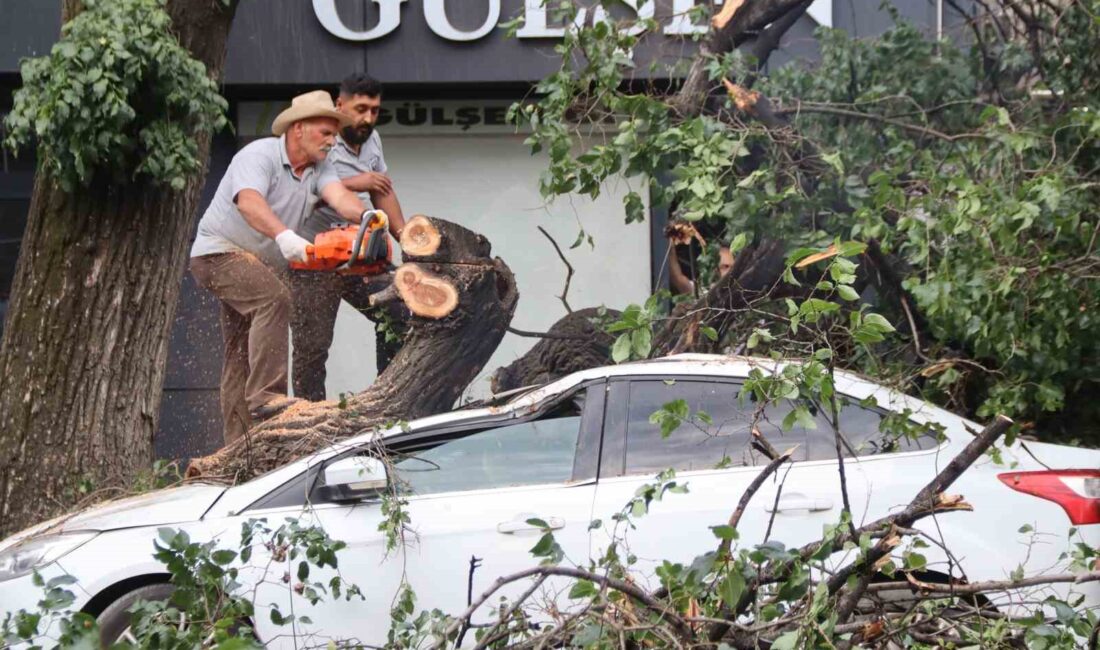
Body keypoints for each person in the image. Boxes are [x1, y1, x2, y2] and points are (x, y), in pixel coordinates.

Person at [189, 90, 375, 444]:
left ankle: (238, 447)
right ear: (299, 128)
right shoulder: (258, 155)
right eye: (325, 132)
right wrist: (285, 235)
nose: (332, 141)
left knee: (240, 354)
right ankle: (267, 395)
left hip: (256, 263)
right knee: (274, 299)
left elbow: (340, 196)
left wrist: (367, 215)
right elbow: (249, 202)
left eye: (335, 134)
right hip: (218, 254)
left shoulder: (320, 168)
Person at [289, 73, 407, 401]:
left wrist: (409, 242)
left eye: (374, 110)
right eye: (360, 109)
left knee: (401, 308)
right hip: (311, 260)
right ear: (339, 105)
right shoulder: (318, 137)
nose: (368, 118)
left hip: (358, 255)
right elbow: (304, 185)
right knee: (312, 350)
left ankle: (388, 399)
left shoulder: (373, 140)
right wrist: (360, 181)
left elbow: (381, 189)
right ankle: (309, 422)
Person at [665, 220, 734, 296]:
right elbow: (678, 278)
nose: (730, 271)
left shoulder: (745, 289)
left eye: (729, 266)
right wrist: (671, 240)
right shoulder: (707, 293)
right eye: (724, 267)